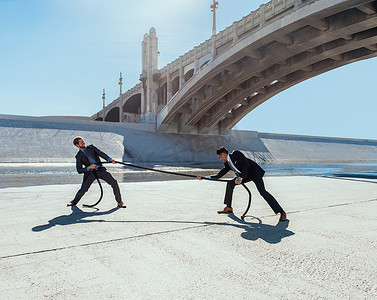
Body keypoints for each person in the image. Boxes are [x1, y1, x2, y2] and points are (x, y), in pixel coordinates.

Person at [197, 146, 287, 221]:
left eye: (220, 157)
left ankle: (281, 212)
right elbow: (219, 175)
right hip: (245, 176)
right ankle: (228, 207)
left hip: (255, 173)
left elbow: (246, 165)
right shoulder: (227, 163)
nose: (220, 159)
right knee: (230, 184)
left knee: (262, 192)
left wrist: (240, 178)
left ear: (223, 154)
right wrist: (204, 177)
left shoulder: (236, 154)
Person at [67, 137, 126, 208]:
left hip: (100, 170)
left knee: (114, 182)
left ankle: (119, 201)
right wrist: (89, 167)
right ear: (77, 145)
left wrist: (109, 159)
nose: (83, 143)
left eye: (83, 141)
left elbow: (101, 153)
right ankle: (74, 201)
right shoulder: (78, 156)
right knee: (83, 189)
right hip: (90, 174)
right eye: (81, 142)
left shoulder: (91, 148)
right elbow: (79, 170)